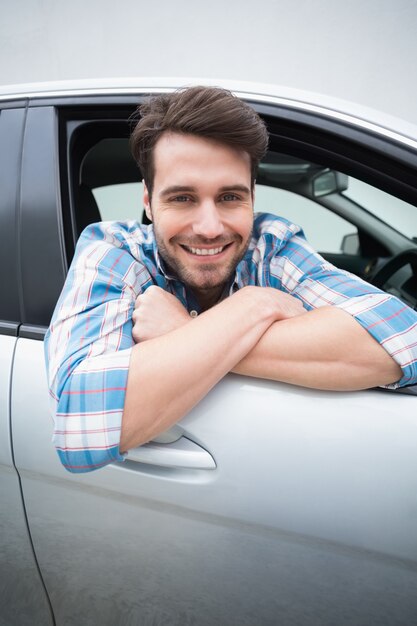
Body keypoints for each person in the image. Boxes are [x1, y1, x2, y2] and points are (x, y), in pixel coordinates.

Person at [44, 86, 417, 473]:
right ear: (148, 201)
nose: (209, 228)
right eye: (183, 198)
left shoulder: (269, 245)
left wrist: (186, 330)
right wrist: (256, 305)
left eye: (229, 198)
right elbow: (80, 426)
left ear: (252, 197)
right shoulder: (114, 251)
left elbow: (406, 337)